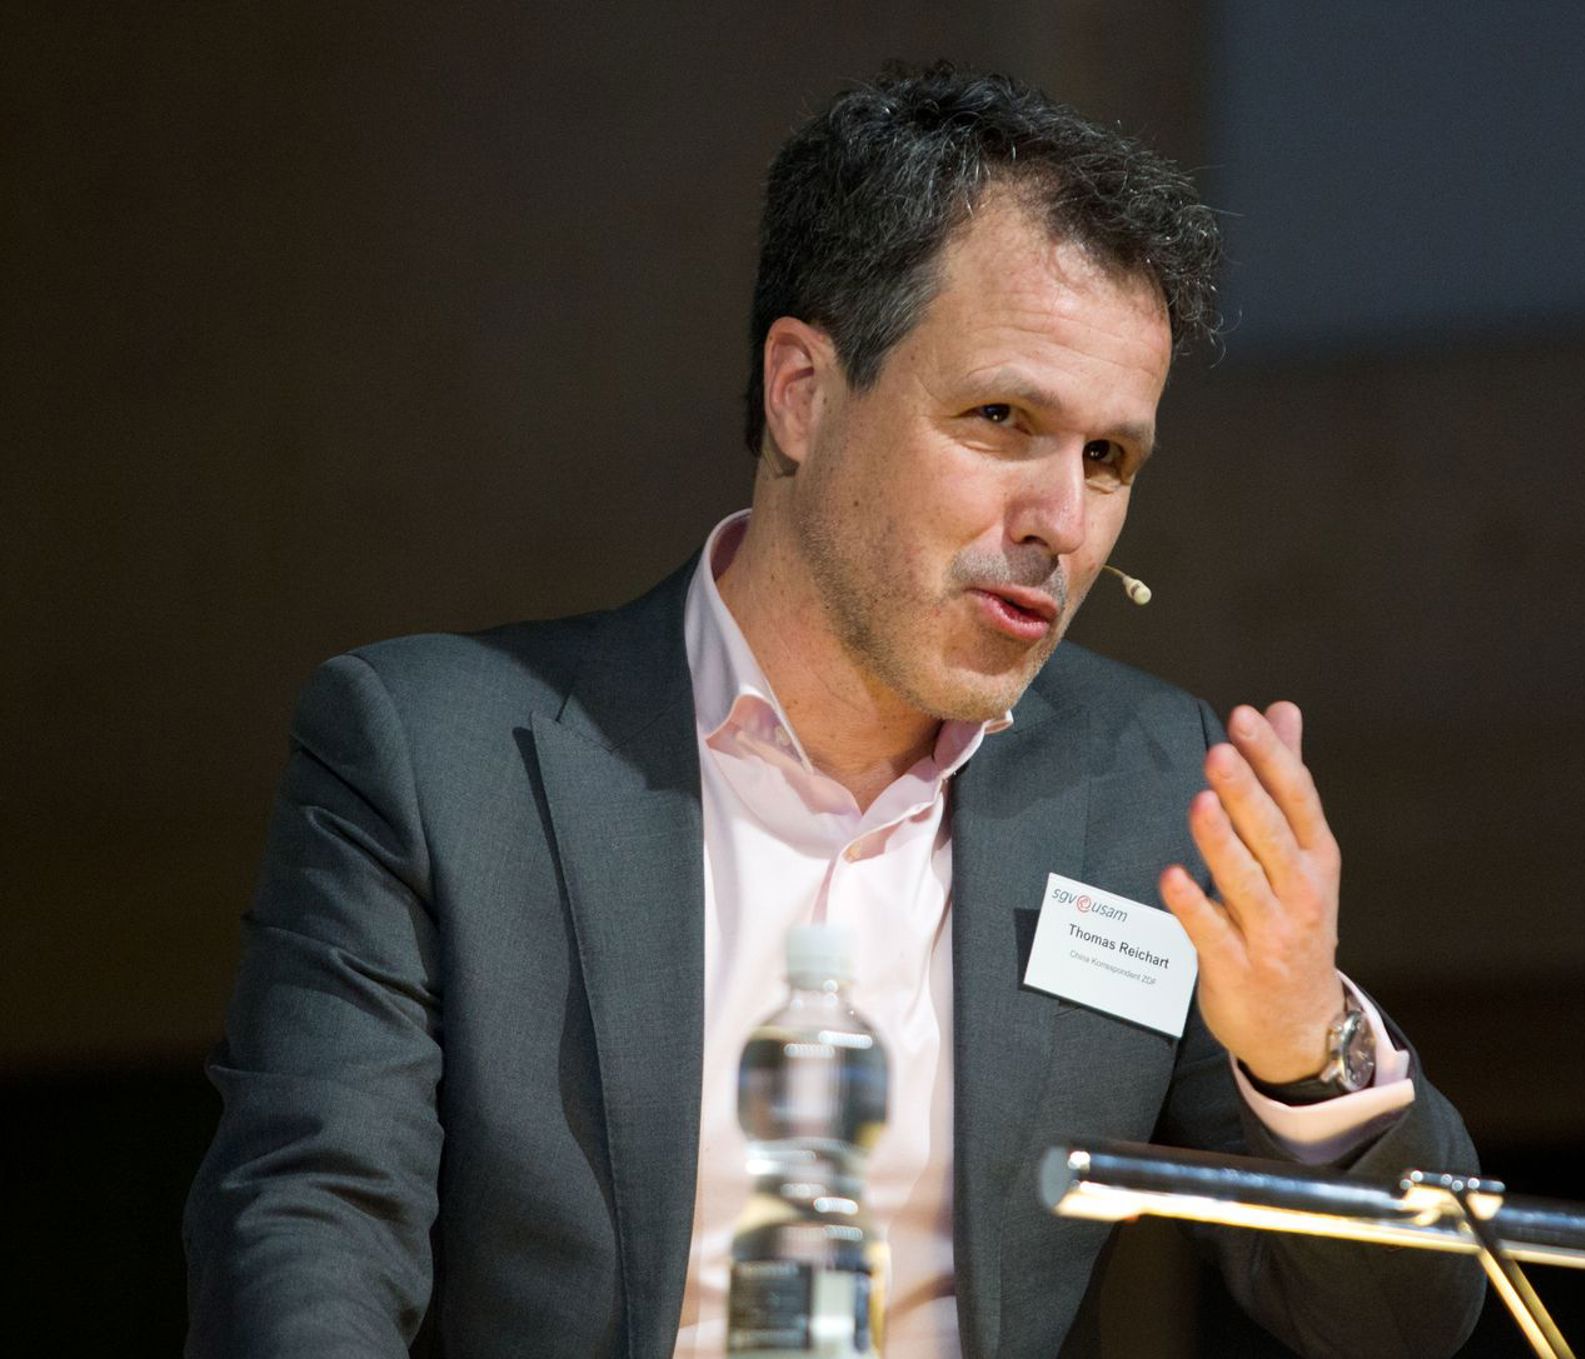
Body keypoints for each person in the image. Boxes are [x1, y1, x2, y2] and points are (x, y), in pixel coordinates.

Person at [184, 63, 1484, 1357]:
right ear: (802, 393)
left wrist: (1306, 1053)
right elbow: (308, 1242)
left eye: (1108, 457)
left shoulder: (1151, 783)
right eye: (1001, 417)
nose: (1063, 521)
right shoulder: (435, 757)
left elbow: (1399, 1325)